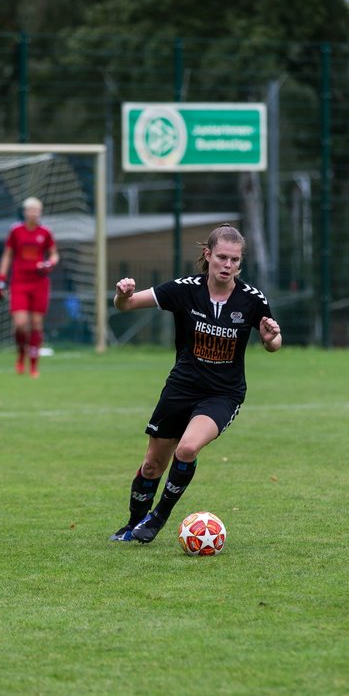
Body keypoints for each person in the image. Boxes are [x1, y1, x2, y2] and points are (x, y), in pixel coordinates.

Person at [109, 224, 283, 543]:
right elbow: (126, 306)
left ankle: (158, 517)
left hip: (222, 394)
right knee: (152, 465)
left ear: (241, 262)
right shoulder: (183, 289)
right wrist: (122, 295)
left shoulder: (252, 300)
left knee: (187, 448)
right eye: (221, 257)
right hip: (181, 387)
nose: (227, 265)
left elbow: (273, 342)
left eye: (234, 260)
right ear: (208, 255)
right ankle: (132, 524)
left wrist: (272, 338)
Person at [0, 197, 58, 376]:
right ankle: (21, 354)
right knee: (21, 324)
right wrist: (1, 279)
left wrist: (48, 264)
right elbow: (7, 255)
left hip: (39, 283)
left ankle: (34, 365)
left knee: (37, 324)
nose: (34, 213)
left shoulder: (45, 232)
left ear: (40, 212)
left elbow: (54, 255)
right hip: (19, 283)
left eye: (37, 210)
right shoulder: (16, 231)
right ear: (25, 212)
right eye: (31, 210)